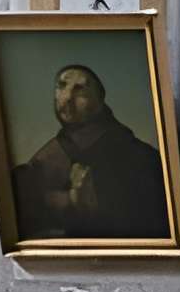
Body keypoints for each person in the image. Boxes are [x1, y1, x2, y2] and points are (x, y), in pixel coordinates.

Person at [12, 63, 169, 239]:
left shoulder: (138, 156)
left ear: (100, 102)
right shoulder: (54, 151)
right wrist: (64, 200)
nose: (67, 97)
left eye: (80, 90)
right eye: (62, 86)